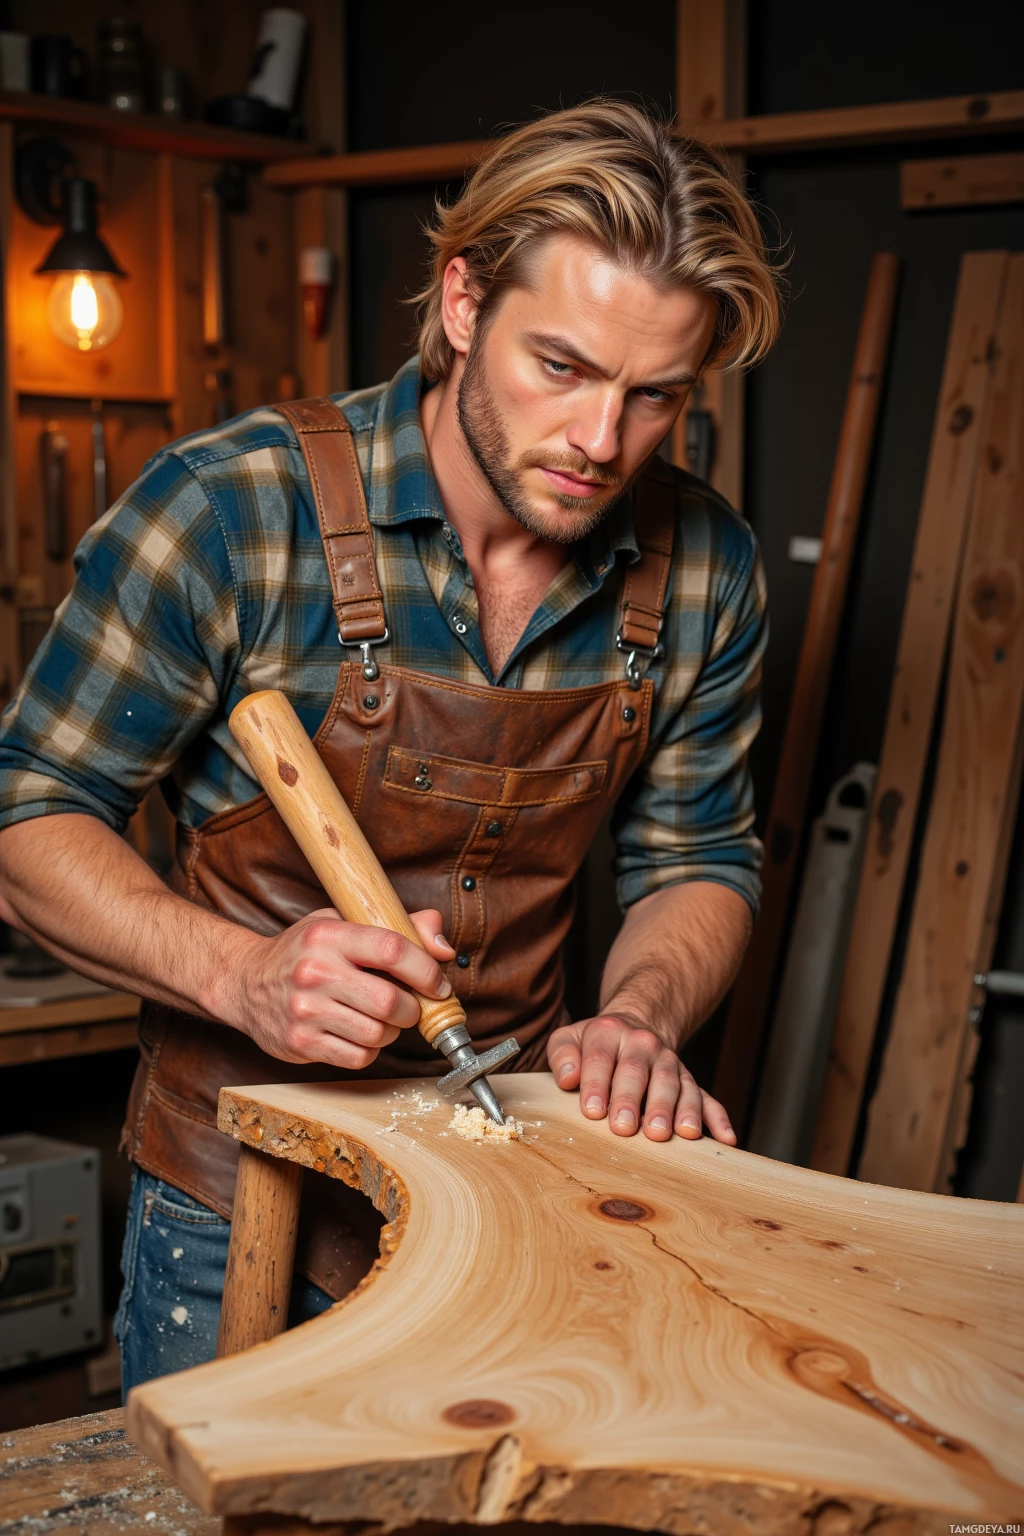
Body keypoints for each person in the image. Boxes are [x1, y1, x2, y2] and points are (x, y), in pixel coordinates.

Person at [0, 100, 780, 1388]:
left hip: (511, 1175)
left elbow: (699, 855)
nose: (600, 443)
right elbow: (28, 816)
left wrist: (642, 1017)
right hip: (233, 1194)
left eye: (656, 398)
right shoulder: (230, 511)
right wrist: (242, 976)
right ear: (464, 301)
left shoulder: (702, 566)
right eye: (564, 368)